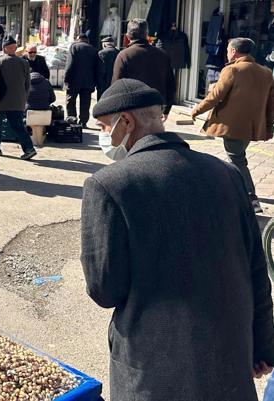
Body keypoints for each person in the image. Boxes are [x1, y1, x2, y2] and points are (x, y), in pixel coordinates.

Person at [82, 77, 274, 401]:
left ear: (125, 122)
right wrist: (263, 343)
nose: (104, 137)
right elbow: (256, 265)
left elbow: (105, 289)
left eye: (104, 127)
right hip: (228, 361)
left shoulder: (108, 186)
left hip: (153, 372)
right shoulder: (226, 174)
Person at [191, 38, 274, 213]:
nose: (227, 53)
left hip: (232, 126)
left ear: (234, 51)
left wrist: (196, 110)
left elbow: (215, 96)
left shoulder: (232, 69)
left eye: (228, 49)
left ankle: (251, 198)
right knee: (236, 157)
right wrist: (269, 126)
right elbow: (271, 104)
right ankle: (234, 191)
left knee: (237, 159)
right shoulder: (266, 72)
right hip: (253, 126)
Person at [112, 19, 175, 114]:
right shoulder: (162, 55)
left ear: (128, 36)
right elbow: (171, 85)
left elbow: (116, 86)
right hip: (156, 107)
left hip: (131, 108)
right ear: (147, 35)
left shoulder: (124, 55)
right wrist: (166, 110)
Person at [0, 36, 35, 160]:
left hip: (1, 99)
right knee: (18, 126)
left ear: (4, 48)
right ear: (15, 48)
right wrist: (24, 97)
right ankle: (29, 148)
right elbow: (27, 83)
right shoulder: (24, 63)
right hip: (18, 99)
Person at [64, 33, 98, 127]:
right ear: (87, 40)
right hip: (88, 81)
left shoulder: (74, 47)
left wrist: (66, 78)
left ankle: (72, 120)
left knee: (70, 101)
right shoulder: (94, 50)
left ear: (78, 39)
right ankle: (83, 121)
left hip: (73, 81)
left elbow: (69, 65)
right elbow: (97, 67)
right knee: (85, 103)